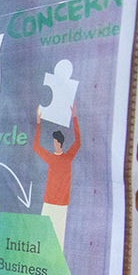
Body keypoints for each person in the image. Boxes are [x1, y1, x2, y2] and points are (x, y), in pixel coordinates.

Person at [32, 103, 81, 251]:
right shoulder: (51, 158)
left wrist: (74, 116)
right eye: (53, 142)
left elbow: (78, 141)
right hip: (49, 202)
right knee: (43, 236)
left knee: (58, 239)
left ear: (59, 143)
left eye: (54, 142)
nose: (53, 144)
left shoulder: (67, 157)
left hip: (60, 204)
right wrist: (38, 122)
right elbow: (35, 147)